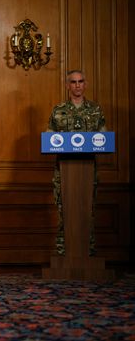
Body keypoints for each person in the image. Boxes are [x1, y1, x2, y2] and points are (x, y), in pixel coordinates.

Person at [47, 69, 105, 256]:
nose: (77, 85)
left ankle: (88, 250)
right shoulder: (58, 110)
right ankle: (64, 251)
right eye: (73, 82)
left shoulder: (95, 110)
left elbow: (103, 137)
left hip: (88, 170)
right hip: (64, 171)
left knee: (88, 210)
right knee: (64, 210)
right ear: (67, 85)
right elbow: (50, 137)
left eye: (80, 81)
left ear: (85, 84)